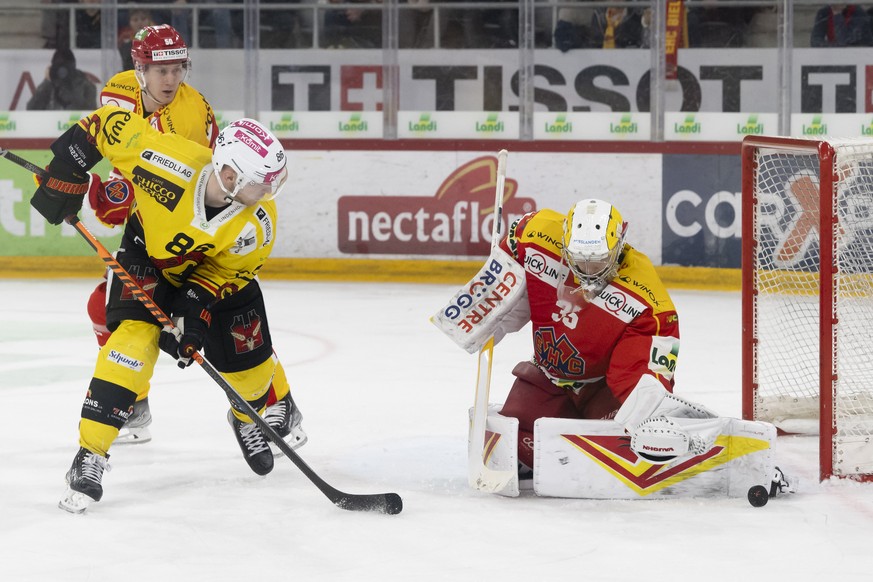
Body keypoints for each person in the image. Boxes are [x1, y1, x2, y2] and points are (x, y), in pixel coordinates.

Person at [30, 109, 301, 513]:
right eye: (262, 183)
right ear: (229, 174)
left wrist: (192, 311)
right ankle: (90, 456)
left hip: (210, 277)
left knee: (252, 372)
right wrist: (66, 169)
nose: (268, 192)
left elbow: (230, 271)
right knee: (129, 350)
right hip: (148, 258)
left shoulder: (259, 222)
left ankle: (245, 416)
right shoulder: (163, 160)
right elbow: (106, 124)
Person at [87, 24, 305, 452]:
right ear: (139, 68)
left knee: (233, 325)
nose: (170, 80)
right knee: (104, 304)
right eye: (160, 70)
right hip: (150, 229)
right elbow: (119, 149)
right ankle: (134, 402)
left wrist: (123, 195)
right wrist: (100, 184)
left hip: (196, 231)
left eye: (178, 69)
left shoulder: (191, 113)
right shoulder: (118, 90)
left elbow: (191, 186)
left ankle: (279, 400)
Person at [436, 199, 719, 479]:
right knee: (518, 430)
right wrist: (485, 300)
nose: (587, 270)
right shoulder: (534, 235)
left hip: (602, 388)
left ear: (619, 245)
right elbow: (511, 252)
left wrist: (652, 408)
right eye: (579, 259)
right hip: (550, 373)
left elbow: (647, 364)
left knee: (621, 441)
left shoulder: (649, 299)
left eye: (597, 261)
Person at [26, 47, 97, 111]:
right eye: (58, 66)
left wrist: (70, 86)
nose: (62, 72)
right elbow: (31, 109)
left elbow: (90, 112)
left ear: (73, 67)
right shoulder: (49, 85)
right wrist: (47, 81)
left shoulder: (85, 85)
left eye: (65, 66)